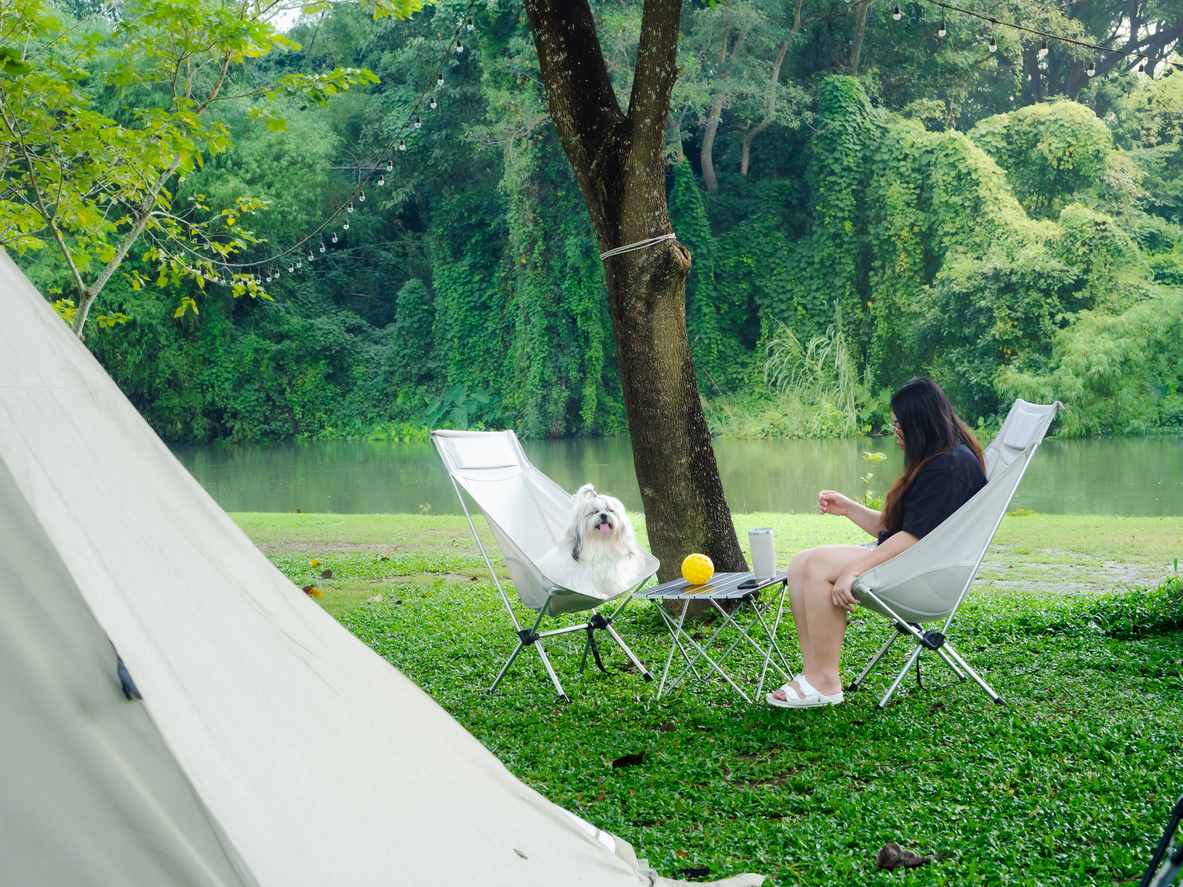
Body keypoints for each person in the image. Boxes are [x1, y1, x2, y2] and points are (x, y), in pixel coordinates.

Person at [767, 377, 988, 709]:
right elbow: (898, 529)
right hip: (912, 562)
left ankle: (825, 682)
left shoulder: (949, 467)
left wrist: (853, 571)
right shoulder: (940, 457)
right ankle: (814, 674)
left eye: (899, 424)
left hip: (922, 577)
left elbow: (910, 539)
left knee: (814, 568)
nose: (895, 430)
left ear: (920, 424)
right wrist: (849, 508)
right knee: (801, 562)